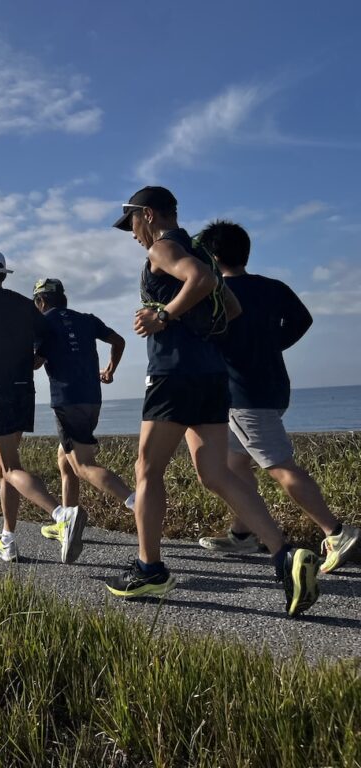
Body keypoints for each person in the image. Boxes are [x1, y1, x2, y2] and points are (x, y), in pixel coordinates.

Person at [110, 186, 320, 617]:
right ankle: (284, 557)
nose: (132, 234)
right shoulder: (201, 251)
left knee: (147, 470)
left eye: (131, 223)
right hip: (210, 376)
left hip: (173, 376)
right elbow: (233, 307)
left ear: (147, 215)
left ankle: (149, 570)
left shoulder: (164, 248)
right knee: (215, 474)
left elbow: (202, 282)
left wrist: (165, 315)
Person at [195, 220, 360, 573]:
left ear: (212, 256)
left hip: (244, 396)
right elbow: (303, 320)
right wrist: (272, 346)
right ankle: (243, 535)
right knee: (234, 464)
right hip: (274, 388)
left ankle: (336, 532)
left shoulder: (216, 293)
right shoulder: (273, 287)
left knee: (279, 467)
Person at [0, 250, 85, 565]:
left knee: (11, 467)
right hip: (22, 390)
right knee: (2, 466)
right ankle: (8, 539)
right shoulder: (23, 303)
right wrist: (37, 358)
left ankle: (62, 514)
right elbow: (45, 334)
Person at [31, 278, 136, 544]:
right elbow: (119, 340)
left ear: (41, 301)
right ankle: (66, 519)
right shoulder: (87, 319)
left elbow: (35, 363)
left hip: (67, 401)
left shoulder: (43, 323)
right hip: (92, 401)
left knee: (84, 465)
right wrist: (111, 369)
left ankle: (138, 503)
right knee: (64, 460)